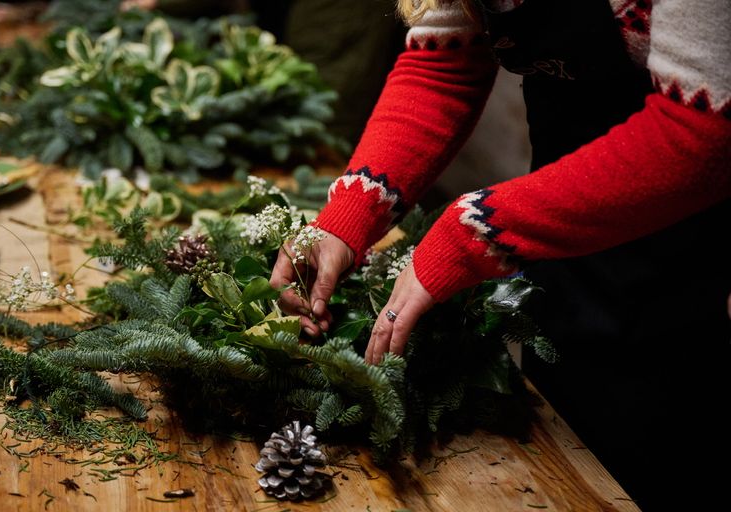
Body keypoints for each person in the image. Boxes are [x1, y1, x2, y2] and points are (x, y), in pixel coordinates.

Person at [270, 0, 730, 509]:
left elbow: (705, 135)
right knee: (566, 415)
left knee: (658, 435)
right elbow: (440, 67)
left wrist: (476, 231)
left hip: (688, 232)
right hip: (563, 206)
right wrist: (348, 216)